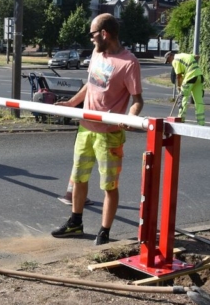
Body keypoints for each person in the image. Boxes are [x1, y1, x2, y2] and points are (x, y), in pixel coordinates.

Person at [52, 13, 144, 246]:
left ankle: (104, 231)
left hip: (109, 135)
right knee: (79, 179)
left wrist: (130, 118)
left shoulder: (129, 62)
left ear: (104, 34)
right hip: (85, 129)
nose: (91, 39)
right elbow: (90, 85)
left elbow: (137, 100)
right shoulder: (96, 53)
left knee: (109, 186)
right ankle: (75, 222)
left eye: (93, 34)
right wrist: (72, 104)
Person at [164, 51, 205, 125]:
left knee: (183, 98)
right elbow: (197, 56)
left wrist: (179, 87)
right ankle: (201, 123)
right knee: (199, 101)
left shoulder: (175, 60)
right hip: (199, 76)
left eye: (168, 60)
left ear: (170, 56)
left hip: (190, 77)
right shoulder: (184, 55)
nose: (169, 62)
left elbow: (178, 76)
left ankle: (181, 119)